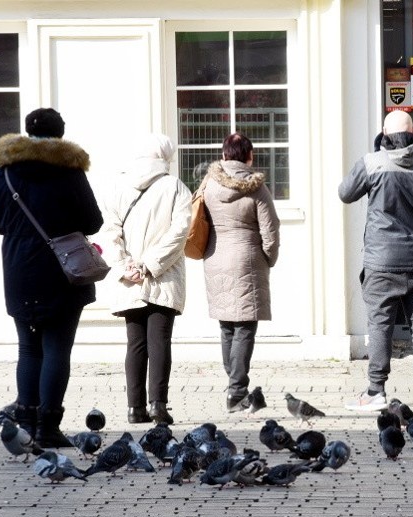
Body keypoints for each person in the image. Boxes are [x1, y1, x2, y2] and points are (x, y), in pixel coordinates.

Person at [0, 108, 103, 448]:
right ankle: (49, 428)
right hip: (62, 269)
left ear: (25, 131)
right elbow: (93, 221)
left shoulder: (7, 173)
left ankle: (25, 423)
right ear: (61, 134)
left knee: (28, 347)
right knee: (56, 348)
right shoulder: (69, 172)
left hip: (19, 269)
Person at [339, 110, 413, 412]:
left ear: (384, 133)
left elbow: (345, 193)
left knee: (379, 325)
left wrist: (375, 152)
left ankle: (376, 391)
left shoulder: (372, 163)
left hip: (381, 261)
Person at [102, 133, 191, 426]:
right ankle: (158, 405)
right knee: (160, 341)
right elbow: (179, 233)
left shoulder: (119, 186)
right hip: (162, 275)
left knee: (135, 343)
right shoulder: (174, 187)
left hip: (130, 278)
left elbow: (110, 232)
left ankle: (134, 408)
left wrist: (125, 266)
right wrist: (150, 265)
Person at [201, 133, 280, 413]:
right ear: (249, 156)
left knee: (226, 326)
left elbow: (198, 218)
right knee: (245, 326)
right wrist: (268, 259)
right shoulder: (255, 188)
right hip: (247, 260)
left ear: (224, 156)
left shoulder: (209, 185)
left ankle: (234, 384)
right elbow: (270, 230)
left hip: (215, 259)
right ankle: (236, 392)